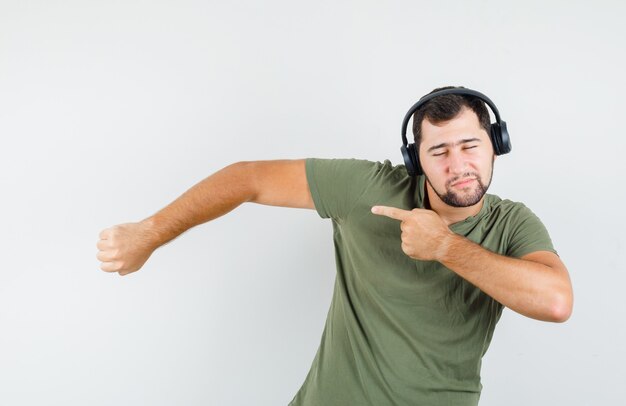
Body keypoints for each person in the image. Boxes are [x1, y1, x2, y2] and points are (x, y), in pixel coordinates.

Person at [96, 86, 573, 406]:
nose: (458, 164)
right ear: (416, 160)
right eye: (439, 151)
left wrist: (445, 247)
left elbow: (555, 302)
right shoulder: (367, 188)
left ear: (495, 145)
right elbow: (249, 178)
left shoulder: (514, 223)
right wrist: (150, 232)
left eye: (470, 145)